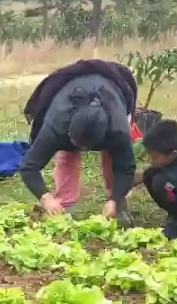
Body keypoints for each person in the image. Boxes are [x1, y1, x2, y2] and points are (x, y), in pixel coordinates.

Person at [18, 58, 138, 221]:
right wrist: (45, 197)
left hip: (115, 85)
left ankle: (116, 202)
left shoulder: (117, 129)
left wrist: (115, 198)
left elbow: (126, 167)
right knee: (67, 156)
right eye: (78, 144)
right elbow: (28, 167)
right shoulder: (56, 125)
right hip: (69, 93)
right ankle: (65, 205)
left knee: (113, 157)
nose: (83, 149)